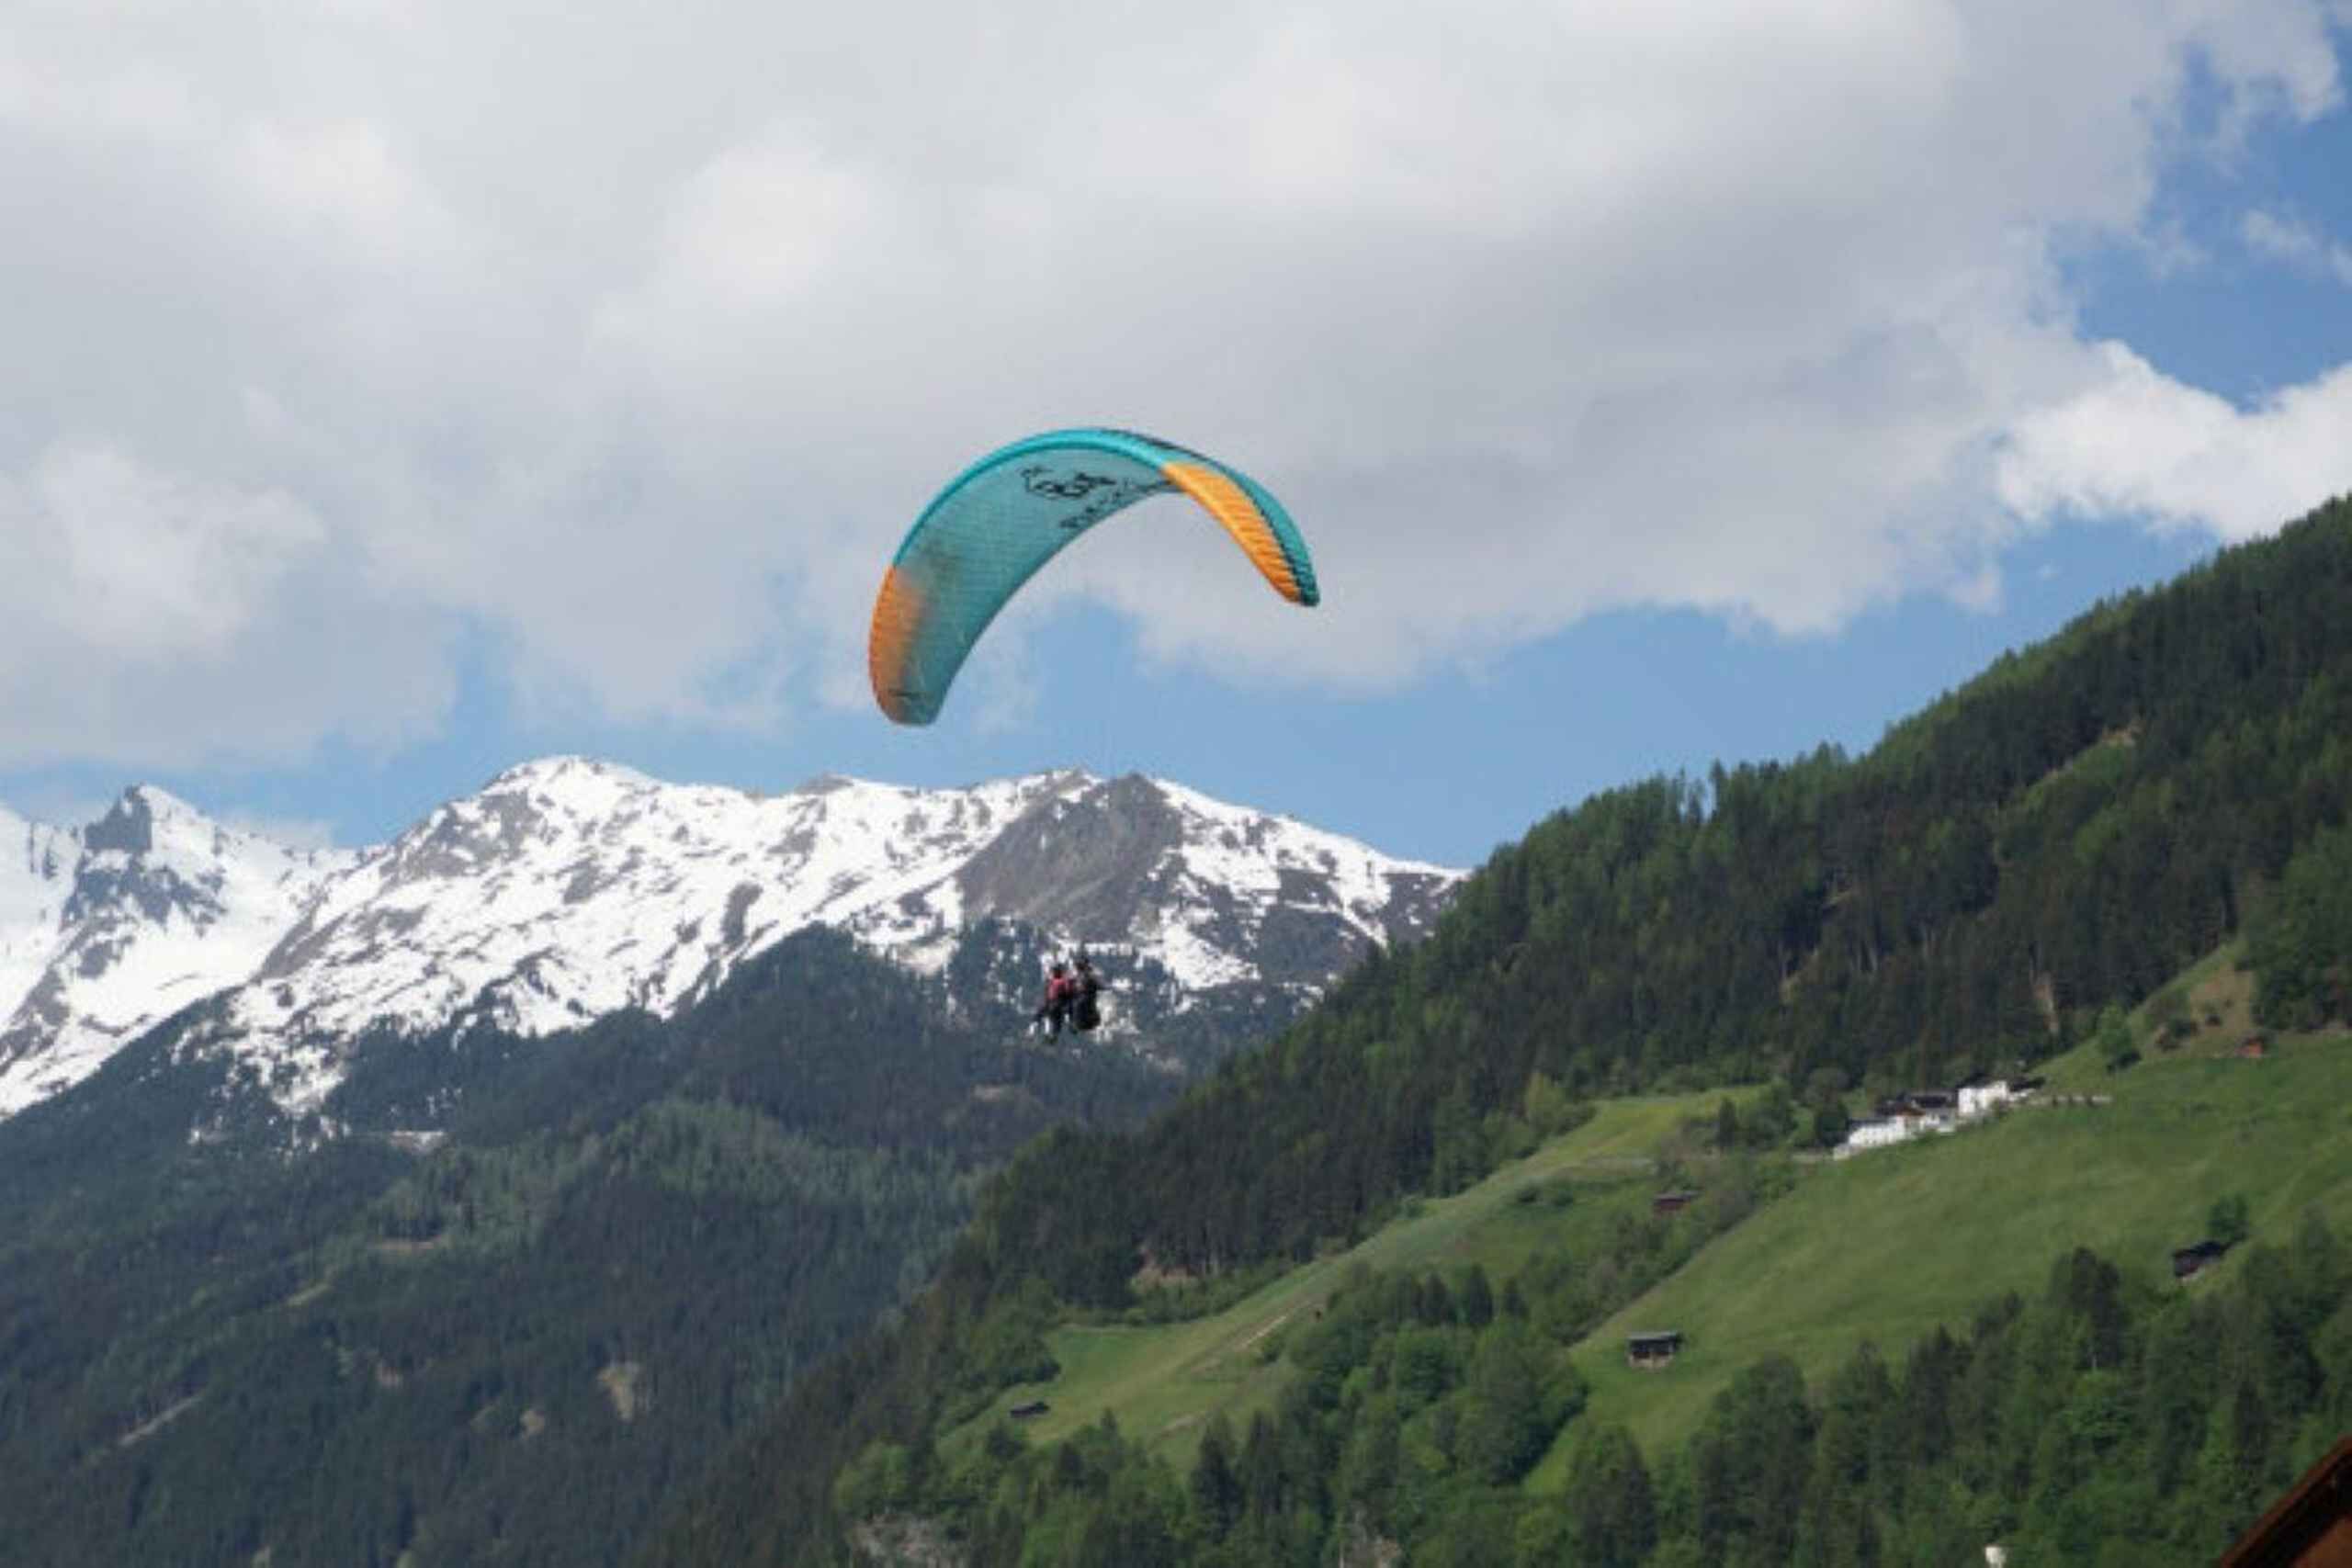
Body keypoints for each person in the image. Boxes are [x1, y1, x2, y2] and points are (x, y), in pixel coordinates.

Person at [1032, 961, 1078, 1039]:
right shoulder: (1063, 981)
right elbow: (1068, 991)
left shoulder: (1050, 982)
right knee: (1066, 1013)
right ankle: (1070, 1024)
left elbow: (1047, 994)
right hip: (1060, 1003)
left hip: (1049, 1003)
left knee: (1042, 1016)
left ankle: (1036, 1030)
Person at [1070, 951, 1103, 1032]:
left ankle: (1080, 1024)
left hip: (1087, 995)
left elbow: (1097, 984)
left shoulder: (1088, 975)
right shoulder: (1079, 976)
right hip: (1084, 995)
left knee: (1079, 1006)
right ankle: (1079, 1023)